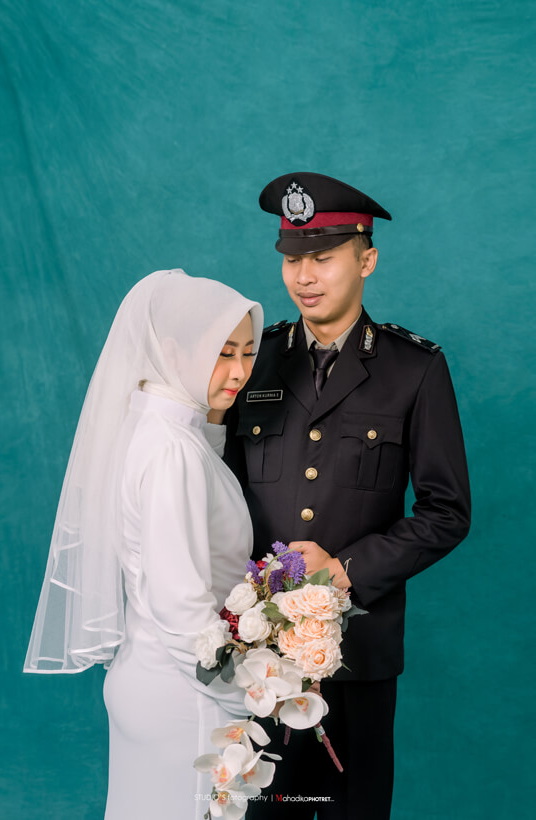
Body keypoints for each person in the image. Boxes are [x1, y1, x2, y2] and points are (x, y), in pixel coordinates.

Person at [225, 172, 471, 820]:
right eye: (292, 260)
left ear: (366, 260)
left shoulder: (413, 368)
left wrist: (344, 570)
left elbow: (446, 512)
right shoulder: (253, 361)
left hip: (359, 658)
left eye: (324, 258)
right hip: (259, 660)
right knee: (264, 813)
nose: (304, 276)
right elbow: (218, 495)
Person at [24, 269, 264, 820]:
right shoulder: (172, 451)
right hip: (185, 696)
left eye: (248, 354)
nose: (239, 372)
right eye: (223, 353)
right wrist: (256, 691)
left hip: (148, 680)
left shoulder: (150, 426)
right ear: (174, 351)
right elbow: (180, 610)